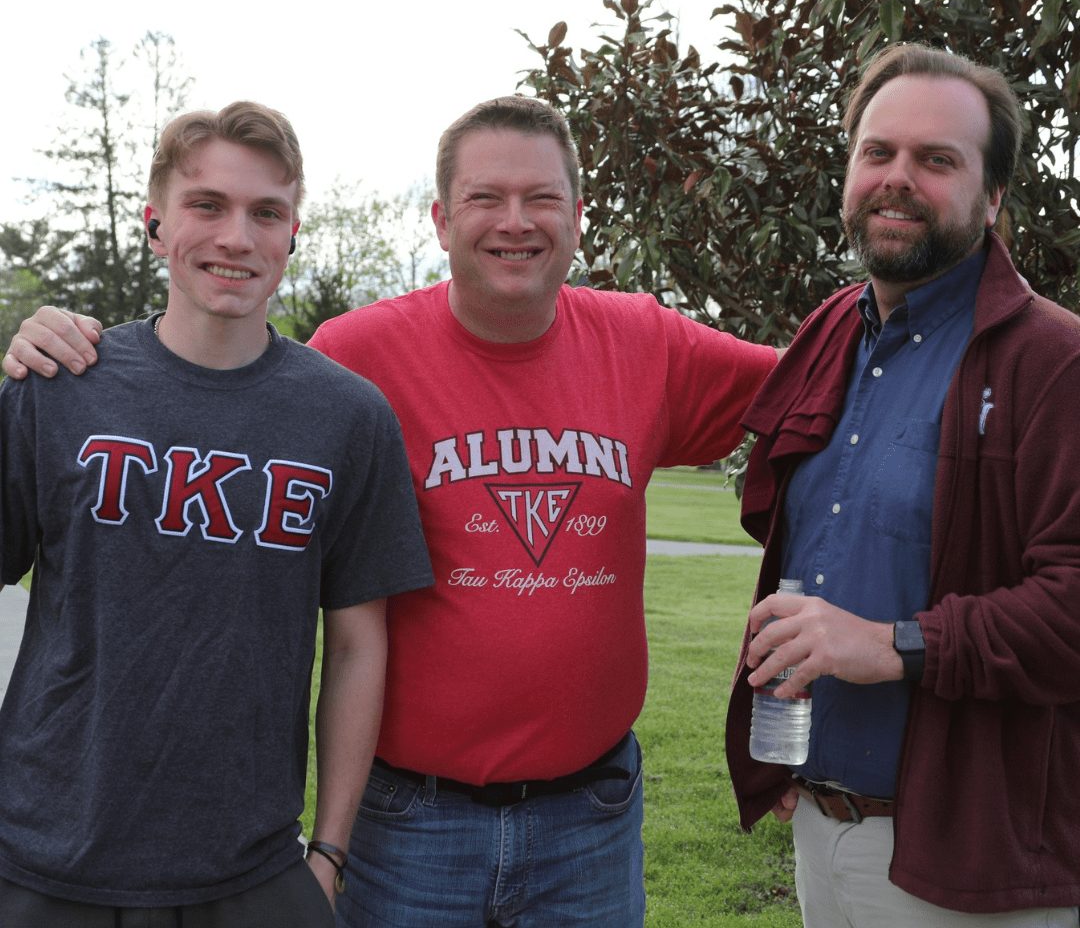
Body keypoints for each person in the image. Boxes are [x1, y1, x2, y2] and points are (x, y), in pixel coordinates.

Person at [5, 95, 779, 927]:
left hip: (585, 818)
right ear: (442, 220)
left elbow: (829, 379)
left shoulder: (640, 343)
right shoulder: (348, 363)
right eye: (485, 198)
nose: (514, 222)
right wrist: (44, 345)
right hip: (405, 825)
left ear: (579, 216)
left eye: (542, 198)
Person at [0, 102, 433, 927]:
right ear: (157, 224)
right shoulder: (59, 385)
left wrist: (328, 858)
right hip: (42, 860)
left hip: (252, 873)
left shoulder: (348, 418)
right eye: (207, 205)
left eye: (265, 212)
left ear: (292, 232)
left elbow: (356, 645)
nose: (237, 236)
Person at [724, 43, 1080, 926]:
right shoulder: (830, 335)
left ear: (994, 196)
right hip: (817, 818)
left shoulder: (1054, 361)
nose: (897, 178)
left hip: (973, 858)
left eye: (937, 159)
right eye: (877, 152)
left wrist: (896, 644)